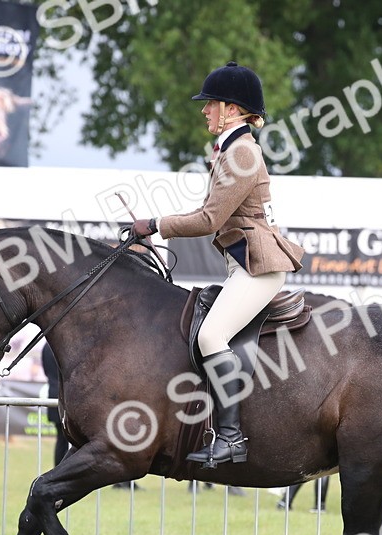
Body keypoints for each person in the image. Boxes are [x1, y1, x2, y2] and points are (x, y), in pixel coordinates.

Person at [129, 61, 305, 467]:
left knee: (211, 337)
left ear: (232, 109)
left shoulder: (242, 153)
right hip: (243, 264)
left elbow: (209, 219)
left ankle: (231, 438)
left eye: (210, 105)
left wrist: (154, 225)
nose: (204, 111)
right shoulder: (231, 149)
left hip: (258, 268)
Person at [41, 343, 70, 468]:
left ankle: (59, 471)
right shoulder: (63, 344)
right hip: (66, 395)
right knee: (65, 440)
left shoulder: (46, 347)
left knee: (61, 440)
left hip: (53, 392)